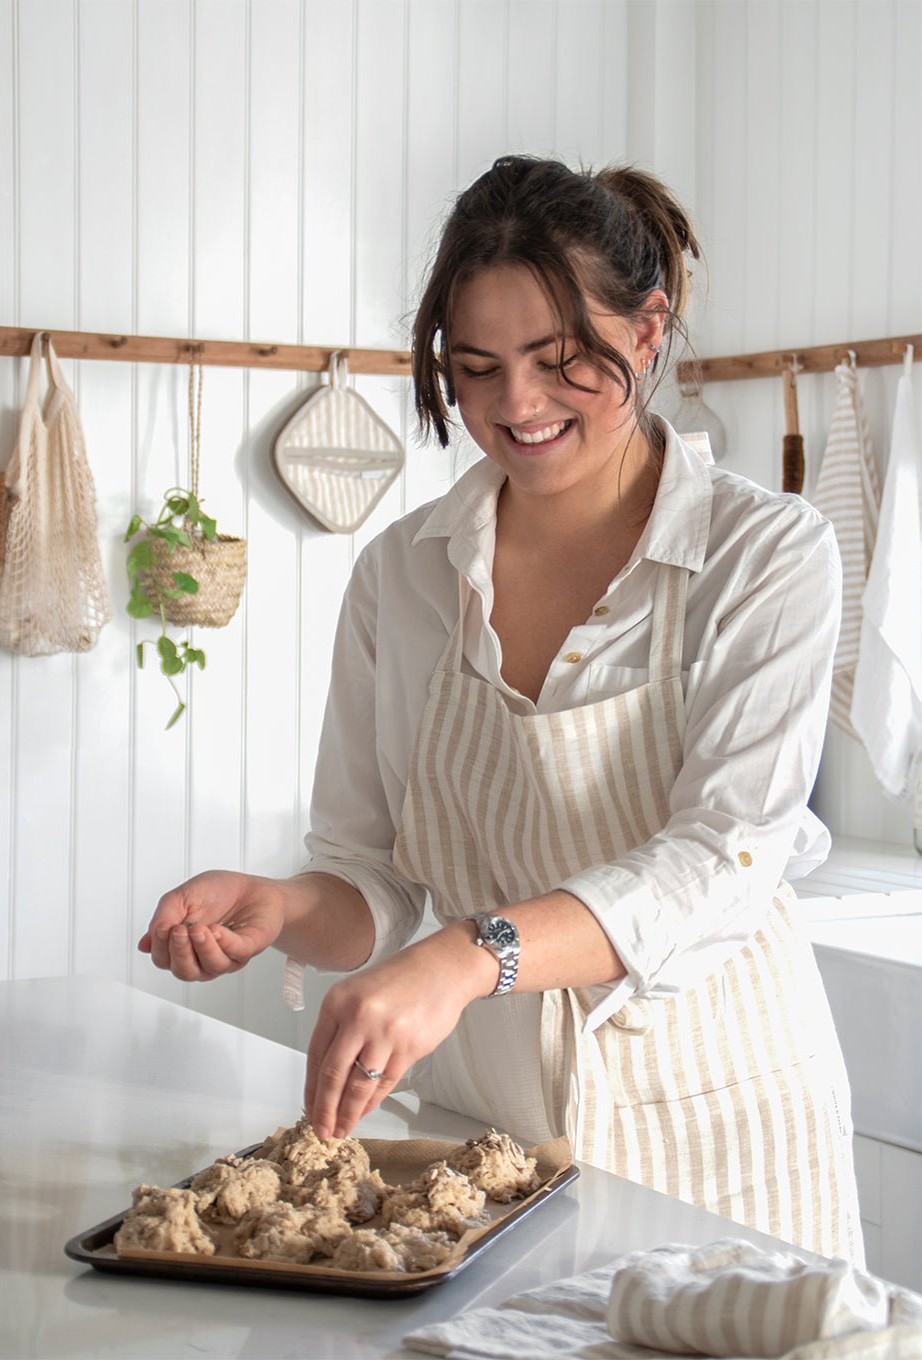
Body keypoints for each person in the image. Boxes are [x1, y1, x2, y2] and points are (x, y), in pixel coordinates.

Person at [140, 155, 862, 1263]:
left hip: (720, 1123)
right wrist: (284, 904)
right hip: (486, 1142)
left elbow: (723, 856)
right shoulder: (402, 574)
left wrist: (471, 957)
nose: (515, 407)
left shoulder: (762, 556)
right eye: (476, 369)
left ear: (650, 326)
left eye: (558, 360)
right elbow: (373, 876)